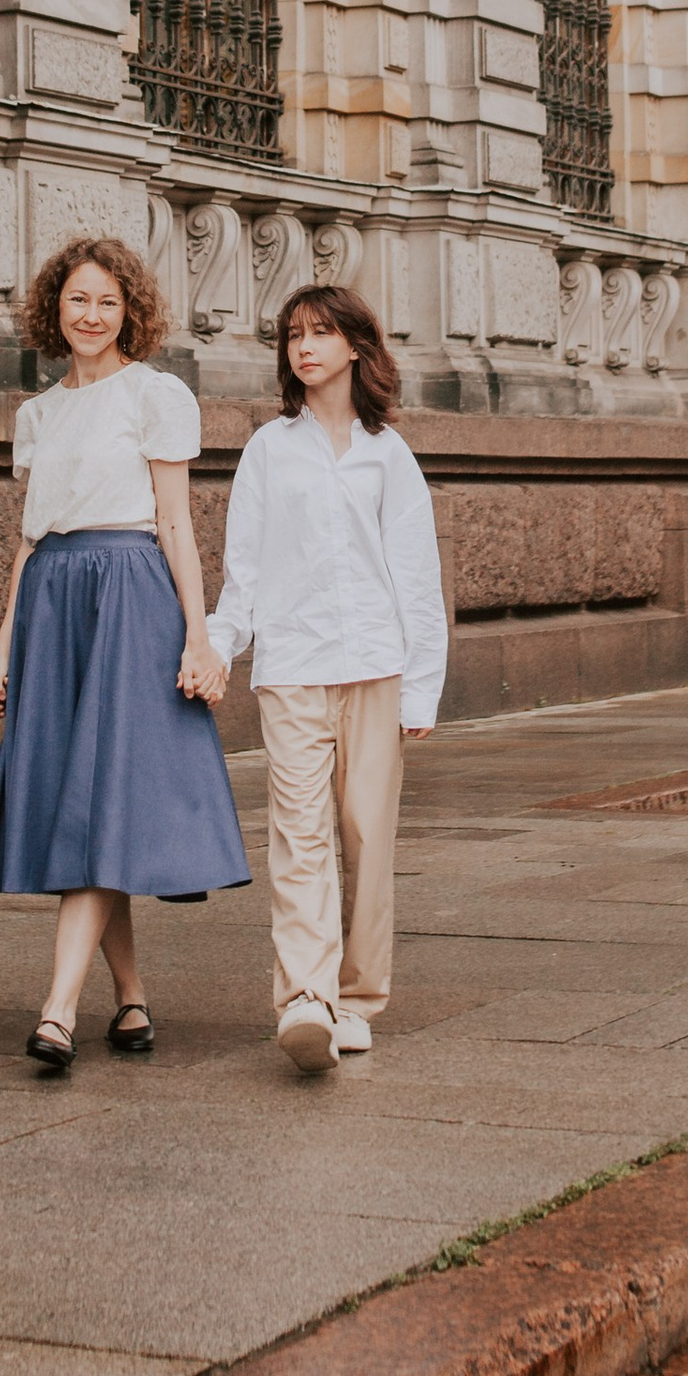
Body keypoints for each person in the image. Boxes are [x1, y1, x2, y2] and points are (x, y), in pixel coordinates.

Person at [0, 236, 247, 1071]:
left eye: (107, 302)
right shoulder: (37, 413)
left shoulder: (155, 395)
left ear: (130, 312)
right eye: (77, 300)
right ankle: (129, 996)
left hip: (128, 596)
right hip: (54, 601)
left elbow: (176, 525)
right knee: (83, 807)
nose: (90, 316)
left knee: (99, 799)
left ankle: (57, 1011)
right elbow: (29, 542)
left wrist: (199, 636)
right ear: (53, 308)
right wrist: (0, 655)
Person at [207, 281, 447, 1076]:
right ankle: (305, 998)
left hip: (376, 666)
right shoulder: (269, 448)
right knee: (300, 835)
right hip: (293, 668)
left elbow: (416, 578)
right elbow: (243, 571)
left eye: (320, 333)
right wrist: (217, 647)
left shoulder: (389, 454)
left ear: (354, 346)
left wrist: (421, 687)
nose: (304, 347)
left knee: (366, 838)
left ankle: (357, 1000)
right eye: (293, 335)